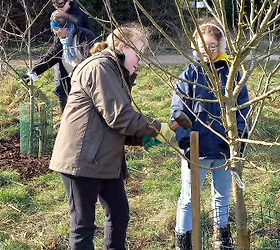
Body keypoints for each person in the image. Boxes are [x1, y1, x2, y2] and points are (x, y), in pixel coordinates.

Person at [49, 24, 175, 250]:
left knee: (119, 214)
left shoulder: (116, 72)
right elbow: (119, 117)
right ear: (121, 46)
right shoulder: (101, 68)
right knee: (83, 225)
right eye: (139, 52)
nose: (141, 60)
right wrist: (157, 128)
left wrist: (143, 138)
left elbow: (110, 124)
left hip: (103, 159)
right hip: (81, 160)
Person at [171, 19, 250, 250]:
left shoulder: (232, 74)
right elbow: (178, 111)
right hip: (196, 150)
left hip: (224, 149)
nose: (208, 52)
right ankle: (183, 241)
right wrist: (186, 143)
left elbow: (243, 109)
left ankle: (222, 238)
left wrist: (238, 141)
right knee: (189, 198)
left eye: (213, 47)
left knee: (222, 196)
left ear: (221, 46)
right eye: (203, 47)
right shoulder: (188, 75)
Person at [25, 11, 95, 113]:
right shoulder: (61, 41)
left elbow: (91, 59)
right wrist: (33, 71)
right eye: (53, 30)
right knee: (63, 97)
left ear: (65, 27)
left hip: (87, 80)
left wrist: (78, 71)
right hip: (69, 80)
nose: (55, 33)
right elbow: (49, 57)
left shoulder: (85, 36)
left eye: (57, 29)